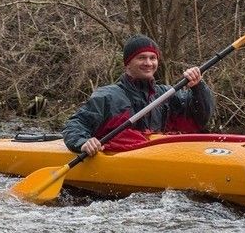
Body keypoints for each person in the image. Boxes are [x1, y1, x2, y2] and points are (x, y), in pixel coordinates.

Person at [62, 34, 215, 155]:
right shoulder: (108, 96)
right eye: (141, 57)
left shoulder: (166, 94)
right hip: (119, 158)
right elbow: (75, 124)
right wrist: (83, 142)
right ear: (127, 63)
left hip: (154, 155)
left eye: (152, 58)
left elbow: (201, 118)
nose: (148, 63)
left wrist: (197, 87)